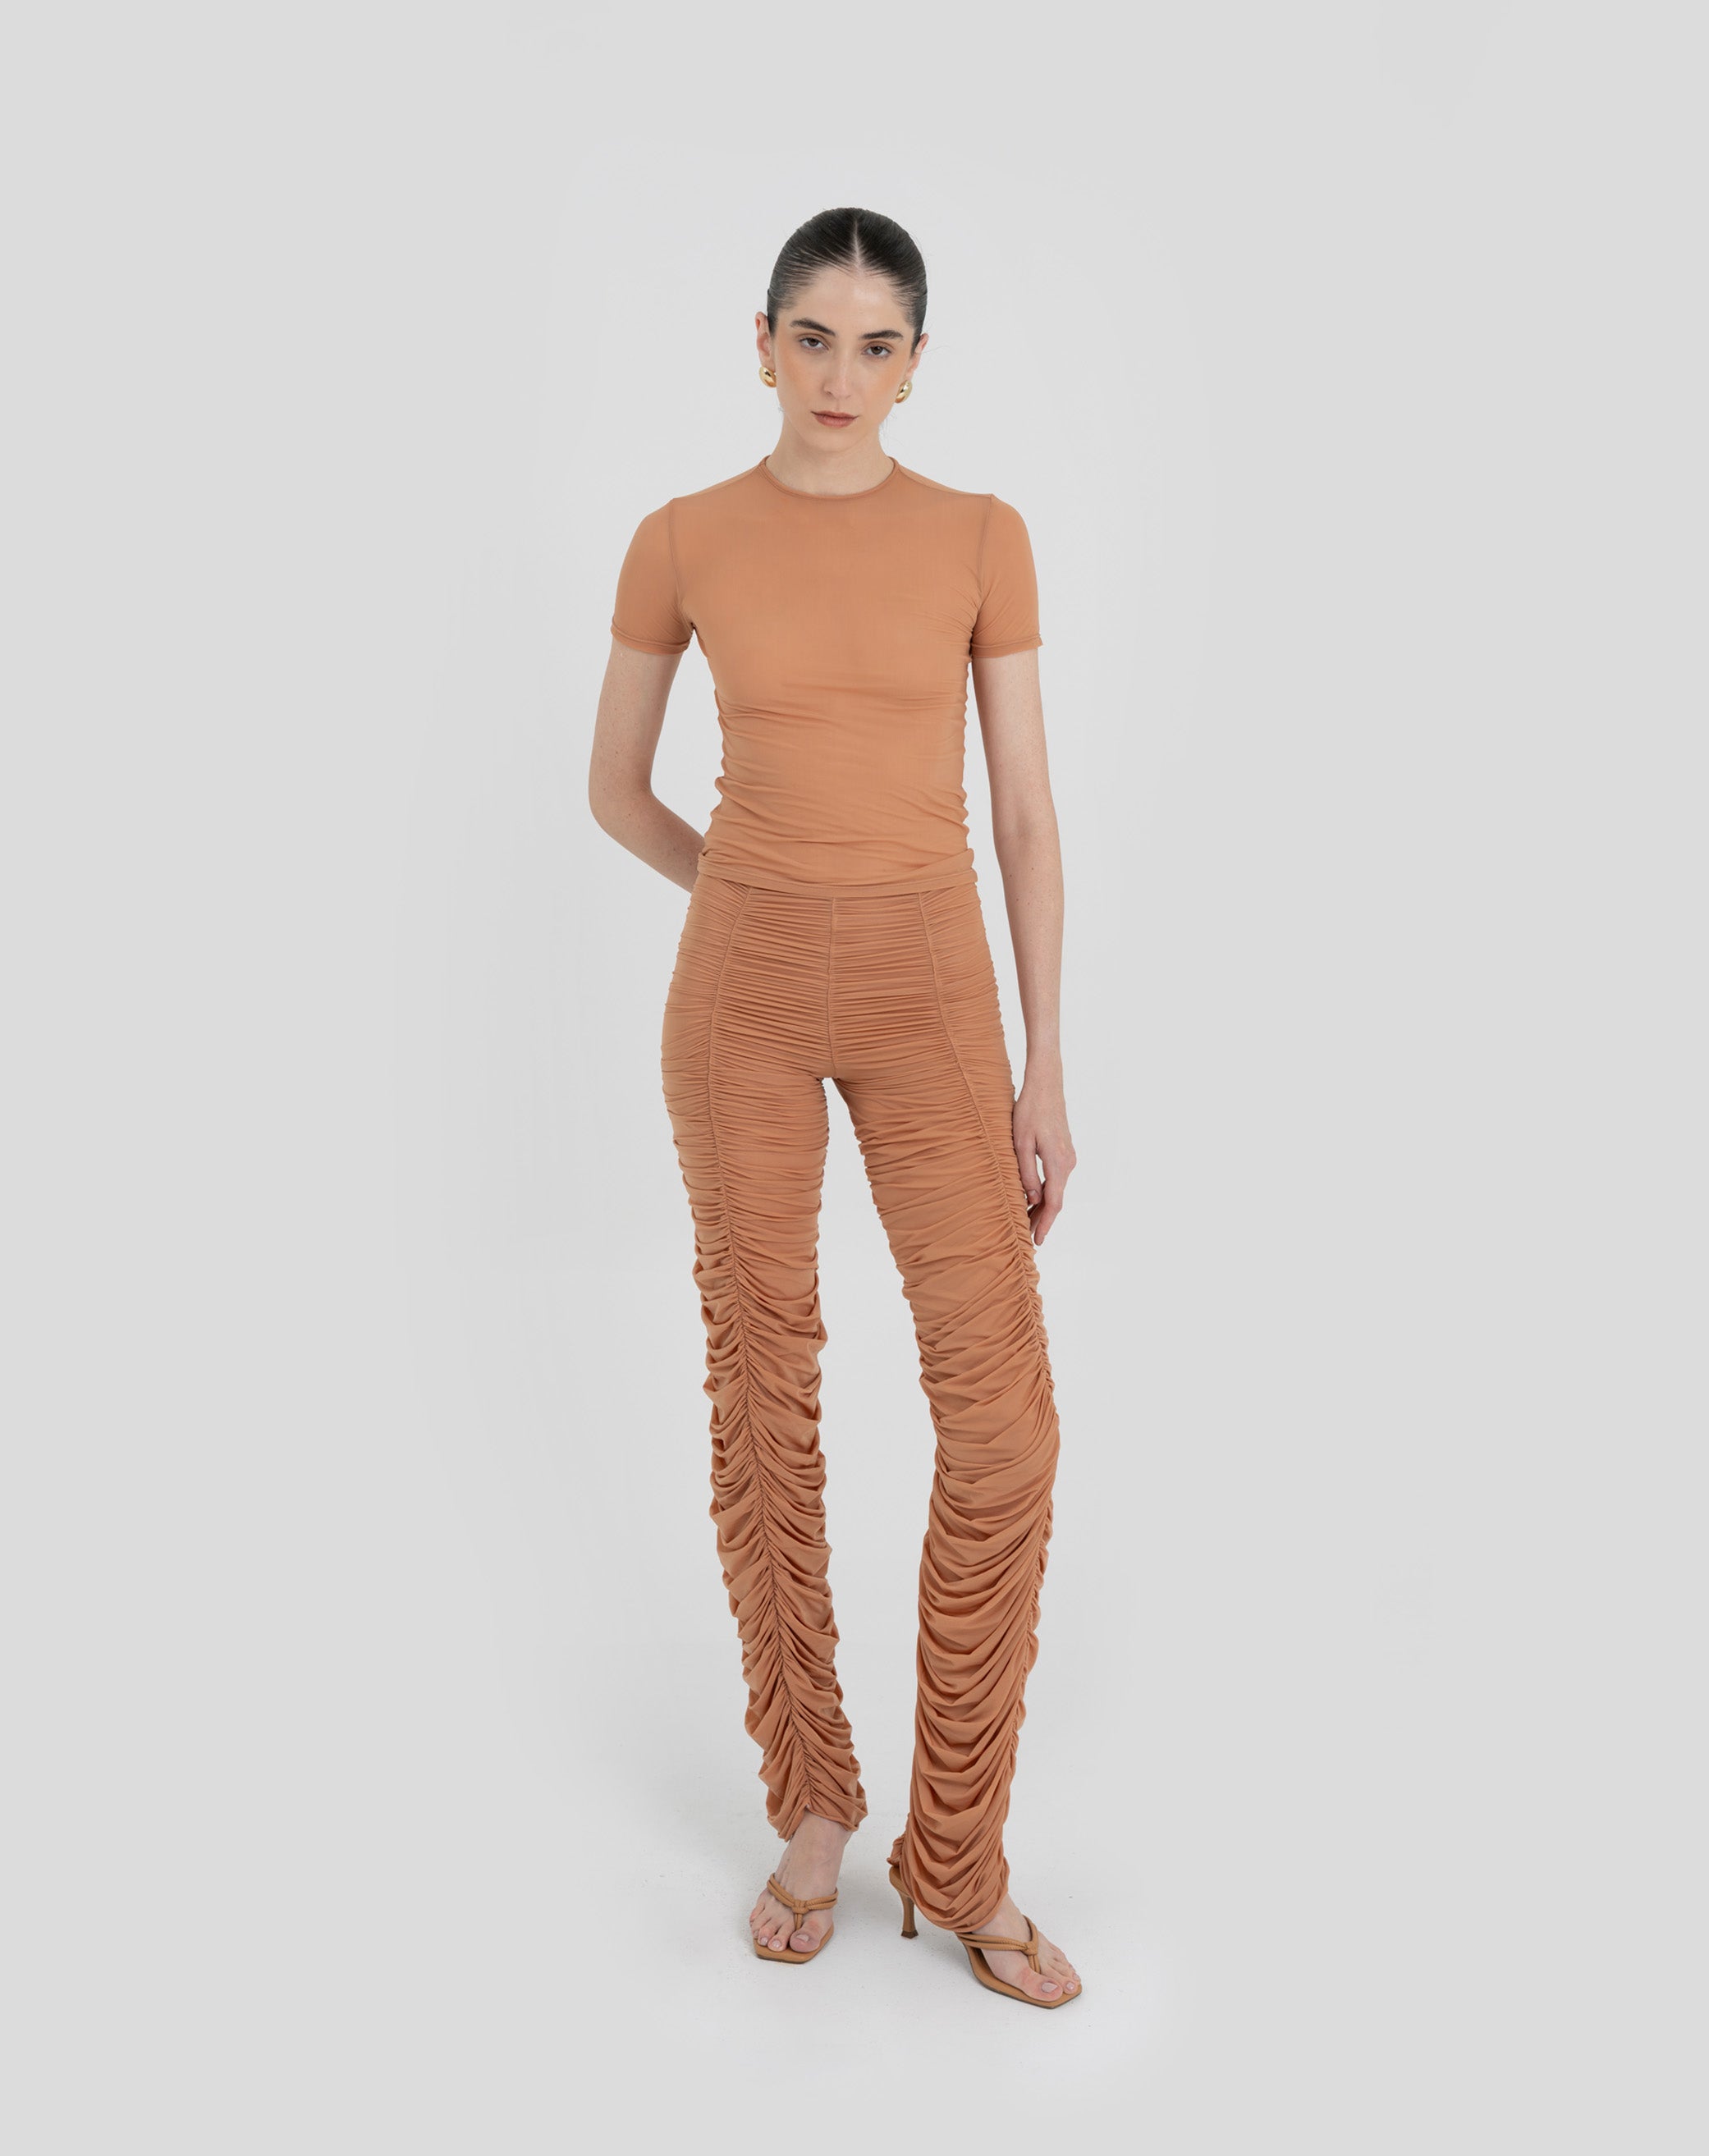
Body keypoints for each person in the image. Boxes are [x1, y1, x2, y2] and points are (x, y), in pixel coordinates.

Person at [587, 207, 1083, 2009]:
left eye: (876, 346)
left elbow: (1020, 814)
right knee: (764, 1383)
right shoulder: (681, 536)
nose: (839, 377)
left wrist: (1042, 1061)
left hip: (932, 990)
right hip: (739, 991)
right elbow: (614, 789)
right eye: (812, 338)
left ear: (915, 365)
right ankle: (810, 1800)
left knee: (1003, 1423)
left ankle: (958, 1853)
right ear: (761, 341)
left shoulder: (980, 535)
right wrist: (753, 894)